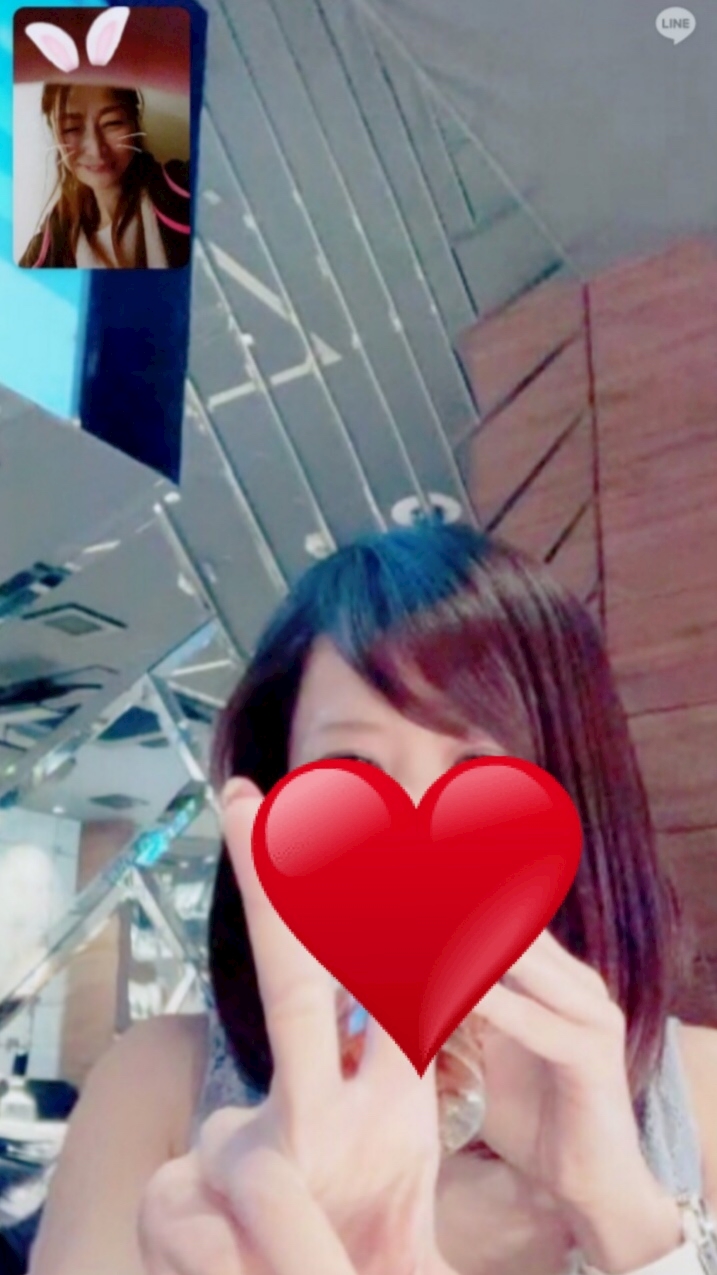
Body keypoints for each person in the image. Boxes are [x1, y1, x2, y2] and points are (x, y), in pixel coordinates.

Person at [27, 522, 717, 1275]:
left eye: (477, 771)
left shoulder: (700, 1094)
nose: (413, 833)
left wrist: (624, 1215)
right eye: (351, 765)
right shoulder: (158, 1087)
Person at [18, 83, 191, 269]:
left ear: (134, 121)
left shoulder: (183, 193)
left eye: (112, 123)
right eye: (71, 128)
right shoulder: (51, 246)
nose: (96, 150)